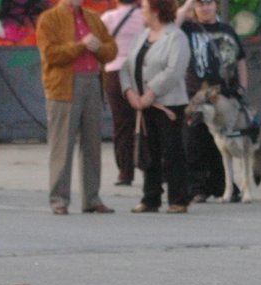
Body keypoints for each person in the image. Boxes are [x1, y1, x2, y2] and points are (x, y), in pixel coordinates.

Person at [37, 0, 117, 214]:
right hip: (64, 86)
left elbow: (111, 50)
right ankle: (59, 199)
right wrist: (81, 45)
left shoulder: (93, 18)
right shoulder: (50, 18)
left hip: (92, 81)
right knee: (62, 145)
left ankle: (92, 197)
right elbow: (50, 54)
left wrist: (99, 47)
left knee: (93, 144)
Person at [122, 0, 190, 212]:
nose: (141, 12)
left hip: (168, 105)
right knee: (148, 151)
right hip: (143, 104)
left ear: (156, 10)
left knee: (172, 150)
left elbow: (173, 71)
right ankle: (151, 197)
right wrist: (130, 92)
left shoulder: (176, 37)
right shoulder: (142, 35)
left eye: (144, 8)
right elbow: (127, 65)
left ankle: (178, 198)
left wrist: (150, 93)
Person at [177, 0, 246, 203]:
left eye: (208, 3)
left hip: (223, 93)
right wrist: (187, 5)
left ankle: (221, 185)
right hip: (196, 94)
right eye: (200, 4)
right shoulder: (188, 28)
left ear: (216, 5)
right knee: (194, 141)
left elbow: (241, 58)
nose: (205, 8)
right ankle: (197, 187)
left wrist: (242, 86)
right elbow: (172, 25)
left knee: (221, 141)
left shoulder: (226, 29)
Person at [102, 0, 145, 186]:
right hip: (141, 71)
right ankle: (152, 166)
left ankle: (125, 172)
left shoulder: (107, 18)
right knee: (147, 121)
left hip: (114, 71)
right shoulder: (145, 15)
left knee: (121, 124)